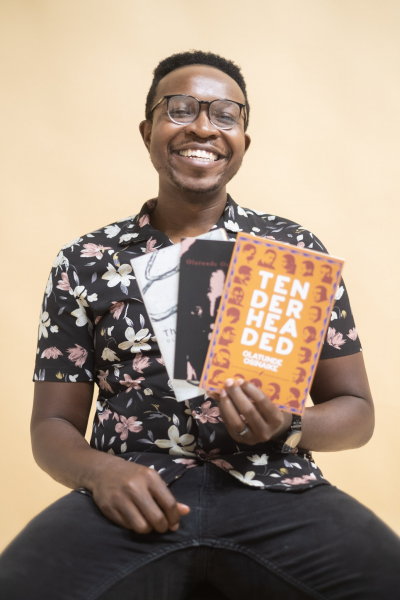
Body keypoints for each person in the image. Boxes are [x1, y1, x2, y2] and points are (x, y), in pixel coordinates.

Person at [1, 50, 399, 600]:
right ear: (148, 132)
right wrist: (100, 474)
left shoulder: (290, 250)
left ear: (243, 142)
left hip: (274, 486)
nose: (204, 128)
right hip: (136, 490)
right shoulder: (85, 259)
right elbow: (51, 428)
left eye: (225, 116)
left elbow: (357, 413)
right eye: (181, 109)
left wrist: (285, 424)